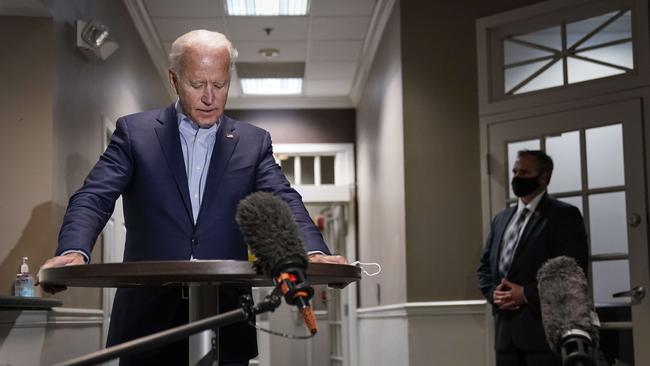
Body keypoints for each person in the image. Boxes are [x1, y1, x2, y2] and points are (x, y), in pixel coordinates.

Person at [37, 30, 346, 366]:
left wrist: (314, 252)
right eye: (198, 84)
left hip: (226, 319)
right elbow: (94, 196)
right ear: (174, 79)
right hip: (147, 323)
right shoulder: (135, 133)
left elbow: (284, 198)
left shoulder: (252, 143)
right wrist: (74, 250)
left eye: (220, 84)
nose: (210, 97)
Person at [477, 150, 589, 366]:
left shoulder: (564, 215)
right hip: (505, 337)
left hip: (542, 335)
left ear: (544, 178)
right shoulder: (501, 219)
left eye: (525, 172)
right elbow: (483, 267)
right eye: (515, 171)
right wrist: (494, 294)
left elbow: (572, 272)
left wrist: (525, 294)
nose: (517, 177)